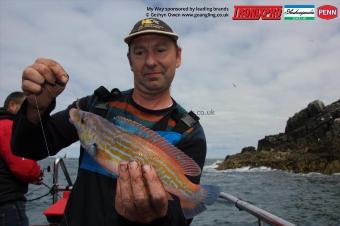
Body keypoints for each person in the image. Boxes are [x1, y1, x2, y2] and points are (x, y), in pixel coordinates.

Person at [11, 18, 207, 226]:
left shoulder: (189, 131)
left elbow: (180, 218)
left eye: (160, 50)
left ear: (178, 57)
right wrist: (36, 109)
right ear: (130, 61)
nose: (150, 61)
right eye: (139, 52)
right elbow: (27, 148)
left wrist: (154, 216)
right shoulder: (95, 106)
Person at [0, 91, 43, 226]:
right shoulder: (8, 126)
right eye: (25, 108)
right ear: (12, 105)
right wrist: (36, 174)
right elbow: (22, 165)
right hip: (7, 202)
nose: (28, 113)